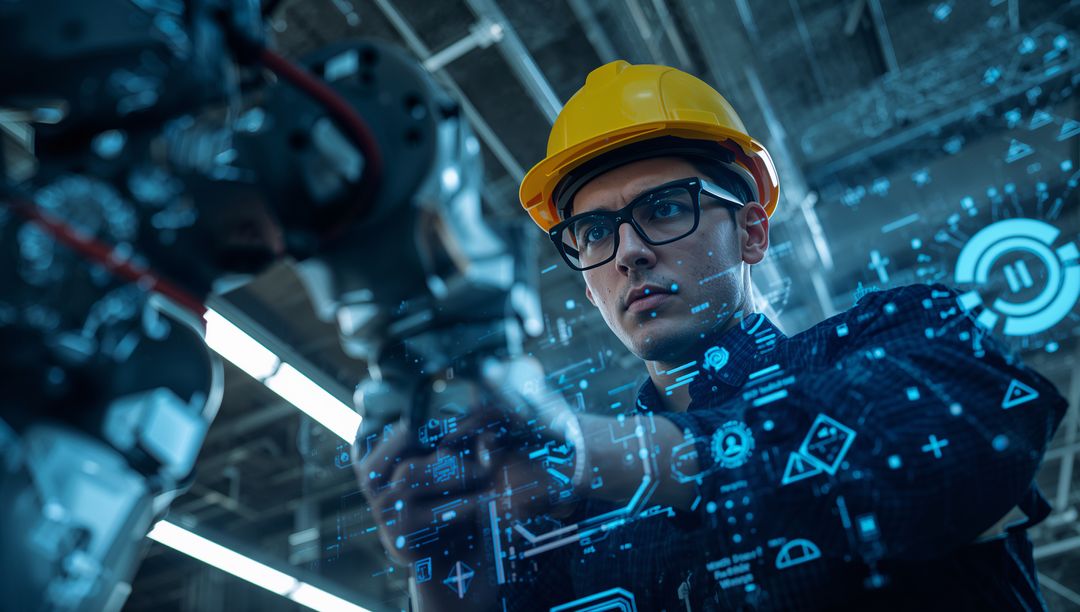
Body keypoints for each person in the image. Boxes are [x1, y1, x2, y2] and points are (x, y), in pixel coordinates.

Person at [357, 61, 1067, 611]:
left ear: (752, 230)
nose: (629, 251)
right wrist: (449, 574)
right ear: (586, 276)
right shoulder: (567, 507)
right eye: (596, 231)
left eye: (665, 208)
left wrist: (590, 450)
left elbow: (942, 447)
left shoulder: (903, 337)